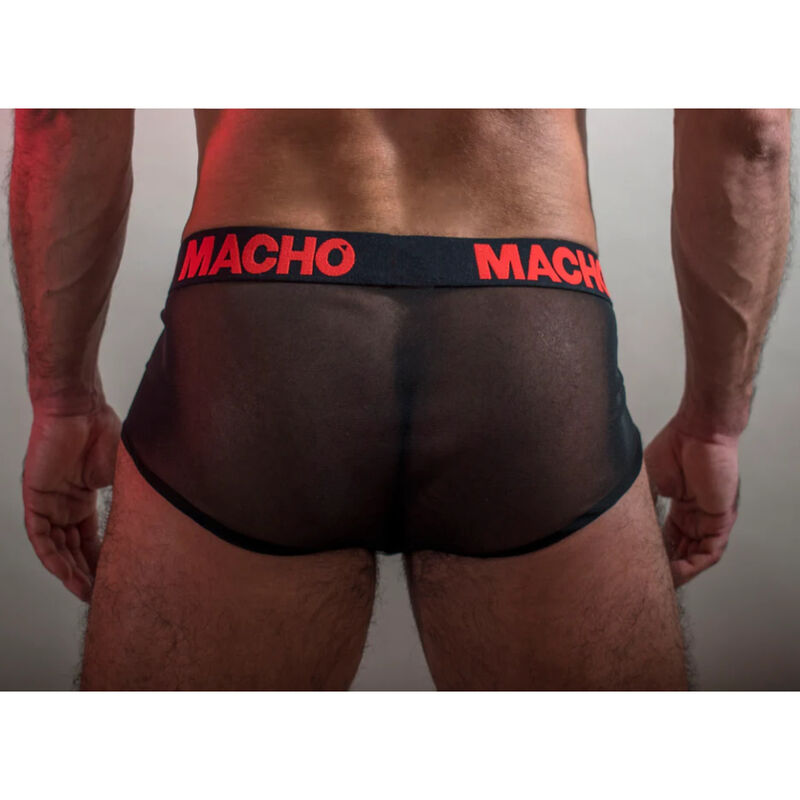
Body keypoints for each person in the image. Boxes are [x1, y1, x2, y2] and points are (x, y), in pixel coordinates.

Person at [9, 109, 790, 690]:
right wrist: (714, 426)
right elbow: (749, 129)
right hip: (526, 315)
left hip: (260, 306)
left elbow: (60, 116)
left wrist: (63, 399)